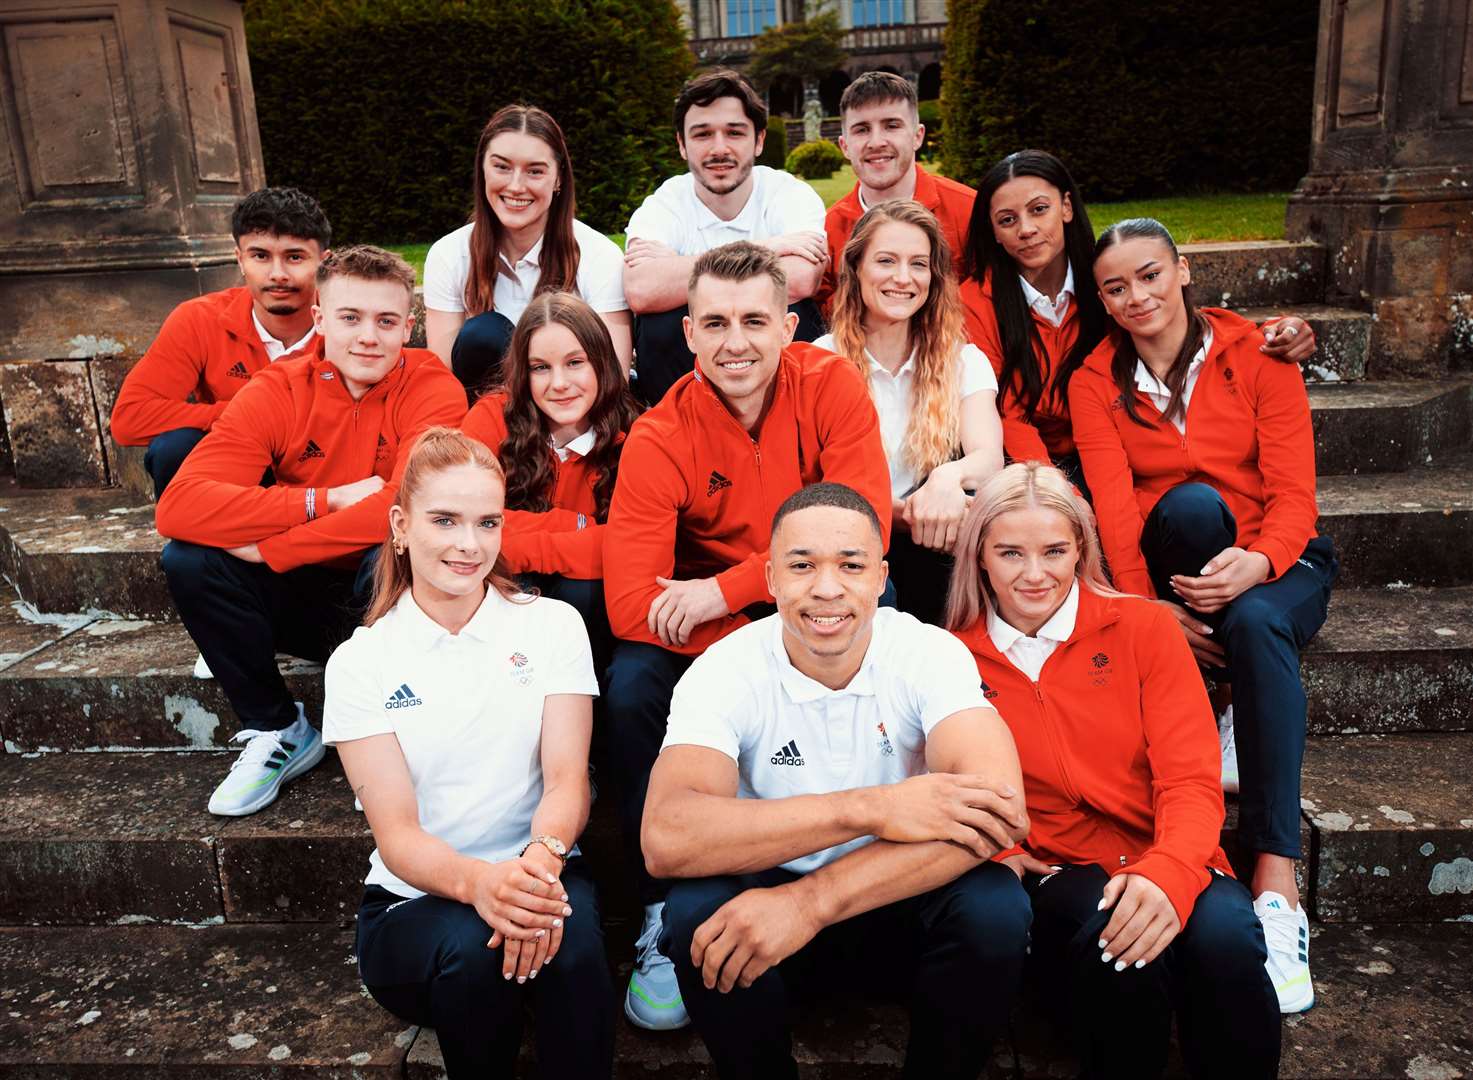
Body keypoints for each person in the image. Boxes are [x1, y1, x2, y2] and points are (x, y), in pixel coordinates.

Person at [645, 481, 1032, 1080]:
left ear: (881, 576)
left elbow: (1001, 810)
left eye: (850, 565)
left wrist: (810, 903)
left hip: (894, 898)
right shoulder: (724, 668)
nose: (827, 588)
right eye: (802, 566)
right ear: (770, 579)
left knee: (995, 908)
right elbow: (667, 837)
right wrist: (872, 807)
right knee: (695, 910)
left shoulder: (929, 653)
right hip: (767, 927)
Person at [602, 241, 891, 1031]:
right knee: (629, 687)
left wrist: (719, 589)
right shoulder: (660, 436)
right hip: (718, 637)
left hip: (791, 599)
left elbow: (864, 530)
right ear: (687, 334)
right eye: (716, 323)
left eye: (755, 321)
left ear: (789, 326)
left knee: (880, 595)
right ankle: (661, 914)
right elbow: (631, 603)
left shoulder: (829, 384)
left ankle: (871, 855)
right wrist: (739, 628)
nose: (736, 342)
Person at [1069, 217, 1338, 1015]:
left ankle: (1275, 882)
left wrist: (1259, 563)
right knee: (1186, 504)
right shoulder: (1094, 382)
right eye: (1115, 287)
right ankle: (1219, 699)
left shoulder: (1258, 353)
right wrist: (1147, 610)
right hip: (1175, 569)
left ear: (1182, 271)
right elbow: (1114, 514)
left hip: (1279, 563)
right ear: (1103, 301)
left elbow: (1294, 492)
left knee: (1257, 621)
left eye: (1150, 275)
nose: (1136, 296)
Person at [945, 461, 1281, 1079]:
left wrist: (1169, 873)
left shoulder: (1146, 628)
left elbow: (1190, 779)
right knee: (1120, 948)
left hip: (1172, 849)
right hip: (1061, 870)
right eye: (1011, 552)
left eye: (1054, 550)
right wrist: (1001, 853)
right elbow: (940, 780)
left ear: (1080, 550)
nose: (1035, 573)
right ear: (980, 558)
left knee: (1229, 939)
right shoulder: (950, 656)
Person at [326, 426, 613, 1079]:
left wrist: (534, 871)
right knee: (472, 950)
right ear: (400, 526)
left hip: (541, 868)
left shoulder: (550, 626)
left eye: (487, 522)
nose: (468, 544)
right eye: (445, 520)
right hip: (414, 902)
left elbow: (568, 780)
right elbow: (397, 834)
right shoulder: (361, 662)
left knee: (571, 951)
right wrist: (483, 885)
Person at [155, 246, 466, 817]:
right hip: (305, 599)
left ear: (409, 325)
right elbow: (179, 505)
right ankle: (277, 729)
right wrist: (321, 499)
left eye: (386, 321)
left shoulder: (431, 386)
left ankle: (406, 730)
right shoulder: (278, 388)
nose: (368, 336)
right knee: (190, 559)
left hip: (392, 600)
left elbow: (407, 510)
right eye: (350, 318)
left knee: (403, 548)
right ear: (320, 318)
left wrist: (274, 548)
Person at [959, 150, 1316, 488]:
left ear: (1066, 207)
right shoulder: (977, 300)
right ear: (993, 231)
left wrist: (1275, 330)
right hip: (1021, 457)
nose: (1026, 229)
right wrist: (1050, 484)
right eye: (1007, 220)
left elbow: (1173, 319)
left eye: (1039, 209)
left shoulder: (1107, 278)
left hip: (1112, 445)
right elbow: (1004, 412)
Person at [815, 199, 1002, 624]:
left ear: (933, 278)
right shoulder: (817, 362)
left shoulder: (963, 360)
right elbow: (816, 481)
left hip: (934, 533)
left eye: (918, 264)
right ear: (856, 268)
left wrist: (946, 476)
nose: (904, 278)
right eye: (886, 261)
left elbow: (989, 459)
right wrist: (901, 512)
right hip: (851, 534)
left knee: (977, 515)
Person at [623, 69, 827, 406]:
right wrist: (765, 248)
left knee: (796, 311)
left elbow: (803, 279)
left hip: (777, 380)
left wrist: (682, 274)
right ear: (682, 145)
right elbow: (642, 290)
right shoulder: (666, 202)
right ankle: (678, 434)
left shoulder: (787, 193)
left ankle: (788, 435)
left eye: (734, 133)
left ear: (759, 140)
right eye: (703, 134)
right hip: (686, 376)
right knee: (659, 324)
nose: (720, 149)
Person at [110, 187, 331, 495]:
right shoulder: (199, 319)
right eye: (260, 256)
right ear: (240, 260)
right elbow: (130, 418)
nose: (277, 273)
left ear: (323, 263)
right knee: (173, 448)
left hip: (321, 473)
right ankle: (199, 531)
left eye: (295, 257)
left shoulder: (350, 323)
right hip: (233, 469)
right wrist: (247, 414)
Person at [461, 290, 641, 663]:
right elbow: (463, 526)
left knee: (584, 589)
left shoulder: (636, 434)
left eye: (575, 362)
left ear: (602, 364)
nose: (559, 383)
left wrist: (518, 542)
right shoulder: (491, 418)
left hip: (591, 610)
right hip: (500, 592)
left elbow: (632, 546)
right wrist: (575, 526)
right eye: (540, 367)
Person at [424, 105, 630, 396]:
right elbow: (444, 383)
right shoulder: (449, 254)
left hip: (573, 408)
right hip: (486, 414)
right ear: (482, 169)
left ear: (558, 179)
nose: (516, 186)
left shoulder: (599, 255)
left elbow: (614, 377)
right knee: (484, 334)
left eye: (535, 171)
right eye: (502, 167)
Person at [817, 71, 976, 311]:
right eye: (862, 129)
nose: (876, 142)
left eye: (891, 126)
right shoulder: (826, 231)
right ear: (844, 146)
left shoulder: (969, 211)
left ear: (917, 136)